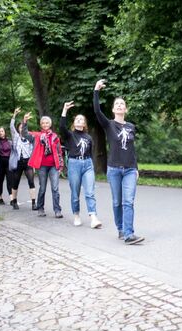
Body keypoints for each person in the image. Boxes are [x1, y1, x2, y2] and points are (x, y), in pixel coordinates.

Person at [93, 79, 144, 245]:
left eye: (123, 104)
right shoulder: (109, 125)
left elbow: (131, 149)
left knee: (128, 201)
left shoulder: (131, 126)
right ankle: (121, 229)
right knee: (117, 202)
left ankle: (129, 234)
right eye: (117, 104)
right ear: (114, 109)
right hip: (114, 169)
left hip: (129, 169)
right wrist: (96, 91)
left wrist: (135, 168)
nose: (120, 105)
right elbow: (97, 111)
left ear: (126, 109)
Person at [60, 101, 102, 228]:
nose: (79, 120)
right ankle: (76, 215)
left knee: (90, 192)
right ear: (74, 123)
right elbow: (62, 127)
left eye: (81, 119)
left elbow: (90, 152)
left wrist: (90, 164)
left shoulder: (88, 137)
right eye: (77, 119)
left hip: (87, 163)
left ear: (84, 124)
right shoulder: (70, 135)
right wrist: (65, 110)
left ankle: (93, 217)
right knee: (75, 192)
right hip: (74, 164)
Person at [22, 112, 64, 218]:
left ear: (50, 124)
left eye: (47, 123)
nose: (45, 124)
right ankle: (40, 208)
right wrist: (25, 122)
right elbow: (25, 134)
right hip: (42, 166)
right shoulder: (37, 136)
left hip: (54, 166)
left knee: (55, 188)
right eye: (43, 123)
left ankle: (57, 210)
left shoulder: (55, 136)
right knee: (42, 188)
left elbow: (59, 152)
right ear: (41, 125)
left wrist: (61, 166)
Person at [9, 107, 36, 210]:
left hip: (28, 161)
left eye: (22, 127)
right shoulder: (15, 136)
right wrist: (14, 114)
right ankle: (14, 201)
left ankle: (34, 203)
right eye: (19, 127)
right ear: (18, 129)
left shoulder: (29, 136)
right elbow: (11, 126)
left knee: (31, 181)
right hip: (18, 162)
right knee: (15, 182)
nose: (21, 128)